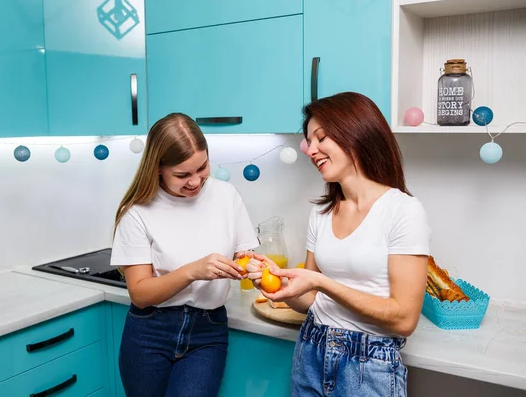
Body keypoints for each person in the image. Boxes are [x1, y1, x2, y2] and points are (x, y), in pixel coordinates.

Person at [247, 92, 430, 397]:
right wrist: (278, 286)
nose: (310, 149)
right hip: (311, 350)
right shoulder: (321, 213)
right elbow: (311, 302)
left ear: (356, 132)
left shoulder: (403, 211)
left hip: (368, 365)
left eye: (321, 138)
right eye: (309, 140)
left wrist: (321, 282)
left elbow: (404, 318)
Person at [110, 113, 259, 397]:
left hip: (208, 331)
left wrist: (253, 266)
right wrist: (194, 270)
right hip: (149, 333)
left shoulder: (227, 196)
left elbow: (244, 256)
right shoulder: (138, 212)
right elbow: (140, 294)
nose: (195, 181)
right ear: (158, 169)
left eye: (202, 168)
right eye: (182, 175)